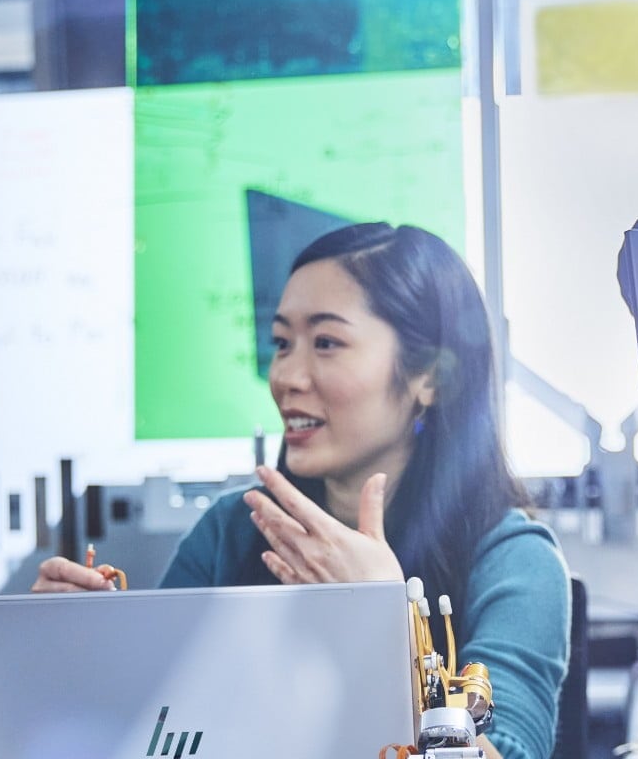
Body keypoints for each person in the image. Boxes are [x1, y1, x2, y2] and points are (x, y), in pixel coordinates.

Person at [36, 223, 570, 759]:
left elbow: (508, 752)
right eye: (282, 343)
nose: (286, 375)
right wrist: (80, 655)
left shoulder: (515, 560)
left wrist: (391, 626)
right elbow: (146, 730)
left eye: (326, 342)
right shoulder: (231, 531)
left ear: (428, 375)